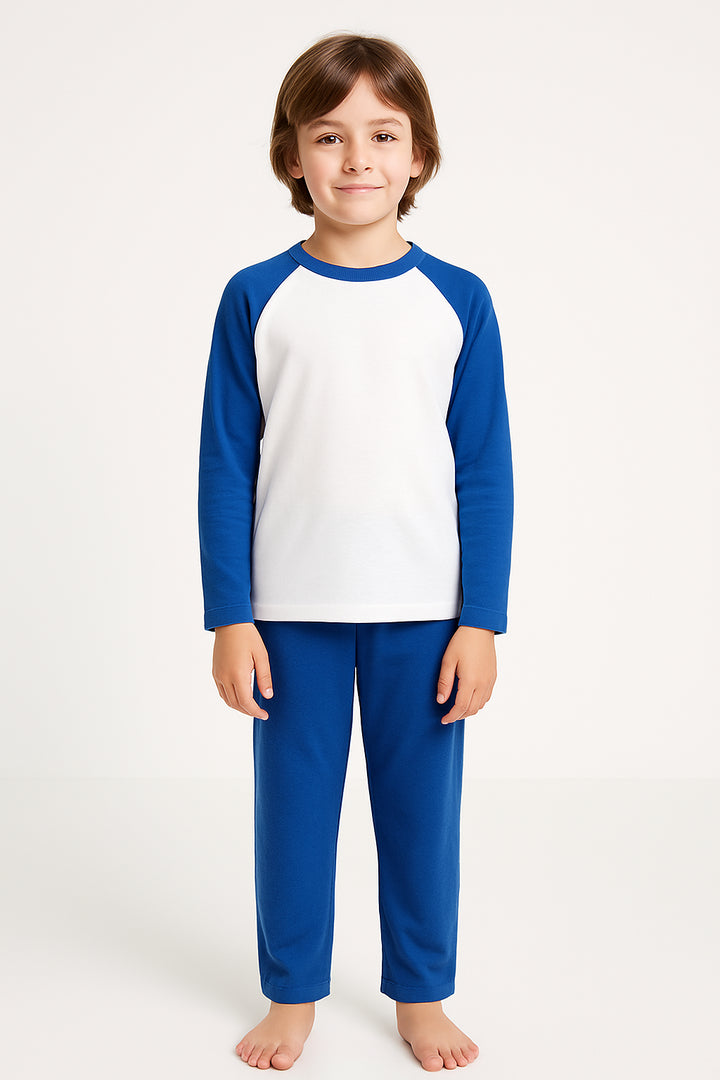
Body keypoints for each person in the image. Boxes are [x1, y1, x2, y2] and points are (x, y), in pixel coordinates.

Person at [197, 31, 514, 1072]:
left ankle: (421, 994)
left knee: (421, 820)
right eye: (329, 136)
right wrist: (230, 614)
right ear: (292, 154)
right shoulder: (257, 297)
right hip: (289, 618)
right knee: (292, 818)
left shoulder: (458, 300)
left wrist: (482, 620)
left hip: (426, 617)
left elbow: (484, 470)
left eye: (383, 134)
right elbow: (224, 466)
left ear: (419, 154)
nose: (357, 158)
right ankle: (292, 994)